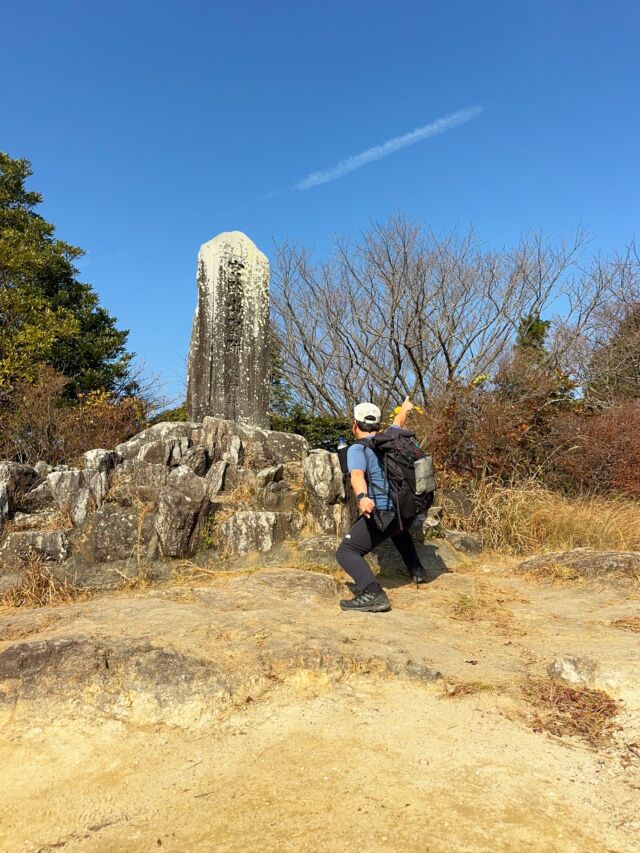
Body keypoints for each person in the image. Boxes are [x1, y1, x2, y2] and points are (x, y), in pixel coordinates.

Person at [336, 397, 428, 613]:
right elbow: (399, 421)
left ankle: (373, 593)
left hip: (384, 512)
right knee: (398, 531)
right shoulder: (391, 438)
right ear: (378, 426)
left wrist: (362, 498)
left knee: (346, 551)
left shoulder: (356, 449)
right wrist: (405, 407)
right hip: (406, 510)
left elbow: (357, 475)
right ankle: (417, 570)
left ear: (355, 425)